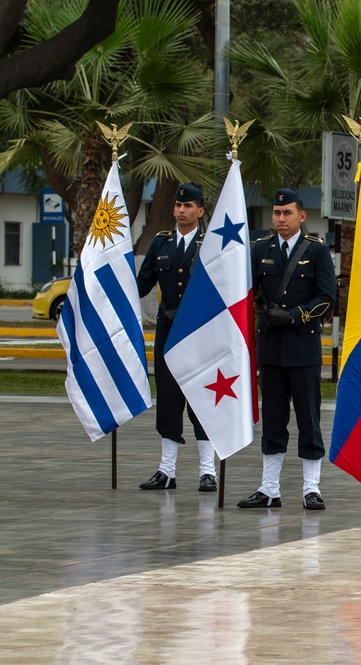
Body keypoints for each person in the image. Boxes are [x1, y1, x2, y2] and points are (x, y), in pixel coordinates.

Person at [237, 188, 336, 511]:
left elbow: (327, 299)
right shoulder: (261, 249)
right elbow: (246, 293)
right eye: (277, 214)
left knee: (308, 419)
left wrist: (294, 316)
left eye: (287, 213)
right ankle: (269, 489)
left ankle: (311, 488)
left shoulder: (316, 251)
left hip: (303, 346)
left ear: (301, 216)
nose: (281, 219)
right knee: (273, 419)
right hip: (270, 348)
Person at [136, 182, 218, 492]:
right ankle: (166, 470)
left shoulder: (210, 244)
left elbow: (219, 292)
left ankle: (207, 471)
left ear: (200, 211)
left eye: (188, 206)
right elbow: (143, 283)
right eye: (177, 205)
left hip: (200, 336)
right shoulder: (161, 244)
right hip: (168, 335)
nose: (181, 210)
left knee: (201, 401)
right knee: (169, 401)